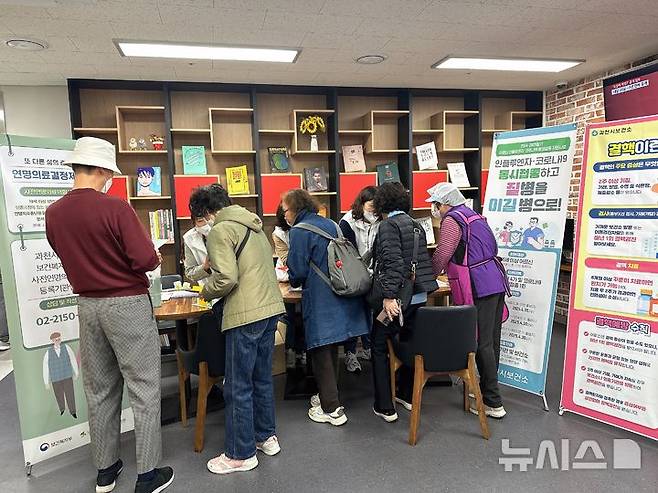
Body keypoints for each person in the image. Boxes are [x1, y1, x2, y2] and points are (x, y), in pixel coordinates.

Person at [45, 137, 174, 493]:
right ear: (101, 170)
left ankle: (106, 470)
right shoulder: (116, 209)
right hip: (127, 304)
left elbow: (63, 252)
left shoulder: (53, 213)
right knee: (144, 387)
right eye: (108, 174)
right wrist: (152, 256)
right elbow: (146, 260)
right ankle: (147, 475)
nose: (108, 180)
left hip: (87, 306)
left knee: (99, 389)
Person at [189, 183, 285, 475]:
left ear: (206, 212)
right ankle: (265, 437)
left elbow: (227, 278)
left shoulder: (220, 230)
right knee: (261, 379)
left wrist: (204, 292)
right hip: (270, 309)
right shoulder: (253, 224)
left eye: (200, 218)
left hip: (245, 314)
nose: (202, 225)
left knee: (238, 386)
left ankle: (240, 454)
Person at [284, 189, 368, 426]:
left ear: (296, 209)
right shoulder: (331, 223)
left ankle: (332, 409)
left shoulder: (299, 232)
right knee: (332, 347)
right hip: (342, 292)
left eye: (286, 210)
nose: (285, 215)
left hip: (321, 297)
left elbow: (297, 273)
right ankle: (327, 396)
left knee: (320, 348)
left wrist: (291, 276)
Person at [428, 182, 510, 419]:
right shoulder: (473, 215)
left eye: (436, 204)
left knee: (481, 343)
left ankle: (493, 402)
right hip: (495, 280)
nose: (435, 209)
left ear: (445, 203)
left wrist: (430, 275)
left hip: (479, 283)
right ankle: (486, 393)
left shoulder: (453, 220)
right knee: (492, 341)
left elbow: (443, 252)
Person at [369, 182, 437, 422]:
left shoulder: (388, 225)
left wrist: (388, 296)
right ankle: (407, 395)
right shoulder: (415, 224)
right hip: (417, 296)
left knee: (378, 345)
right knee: (410, 343)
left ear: (382, 203)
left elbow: (393, 263)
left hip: (396, 299)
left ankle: (384, 405)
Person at [338, 185, 379, 373]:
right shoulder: (347, 222)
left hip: (375, 274)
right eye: (371, 207)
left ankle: (369, 348)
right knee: (353, 313)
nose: (374, 211)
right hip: (354, 274)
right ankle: (350, 353)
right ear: (361, 204)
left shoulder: (382, 220)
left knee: (373, 313)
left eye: (377, 207)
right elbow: (347, 252)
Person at [272, 204, 304, 368]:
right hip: (287, 277)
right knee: (287, 315)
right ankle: (291, 350)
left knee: (306, 315)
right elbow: (284, 259)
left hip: (305, 279)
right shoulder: (279, 233)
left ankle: (303, 351)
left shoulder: (304, 228)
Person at [42, 331, 79, 419]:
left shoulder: (67, 348)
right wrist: (46, 382)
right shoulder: (48, 352)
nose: (57, 341)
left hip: (67, 376)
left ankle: (73, 411)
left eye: (59, 339)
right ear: (52, 341)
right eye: (56, 340)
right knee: (59, 395)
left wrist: (76, 372)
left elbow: (73, 359)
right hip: (55, 378)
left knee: (70, 394)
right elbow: (45, 367)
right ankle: (62, 409)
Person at [182, 214, 213, 287]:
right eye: (200, 220)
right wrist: (205, 267)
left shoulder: (227, 231)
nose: (206, 223)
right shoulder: (189, 238)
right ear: (194, 223)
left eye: (208, 218)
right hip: (209, 290)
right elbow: (190, 273)